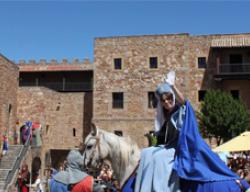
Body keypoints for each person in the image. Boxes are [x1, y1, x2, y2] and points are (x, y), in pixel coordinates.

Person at [134, 71, 250, 192]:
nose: (167, 102)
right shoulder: (166, 115)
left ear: (173, 96)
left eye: (169, 98)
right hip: (172, 145)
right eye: (163, 100)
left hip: (185, 145)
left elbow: (185, 102)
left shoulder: (180, 109)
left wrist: (173, 86)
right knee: (147, 152)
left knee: (159, 157)